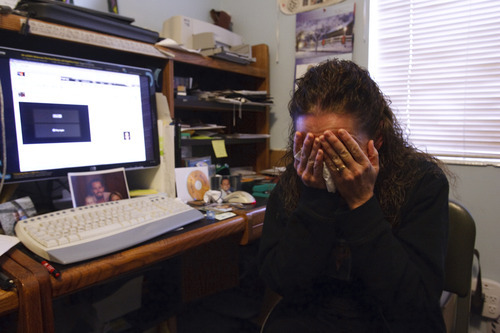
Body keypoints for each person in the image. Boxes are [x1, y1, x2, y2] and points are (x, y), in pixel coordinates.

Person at [258, 59, 450, 332]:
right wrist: (314, 200)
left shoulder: (423, 182)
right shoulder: (299, 175)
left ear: (378, 140)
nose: (323, 159)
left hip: (385, 319)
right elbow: (281, 281)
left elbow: (415, 305)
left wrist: (362, 203)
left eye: (342, 146)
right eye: (311, 145)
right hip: (315, 312)